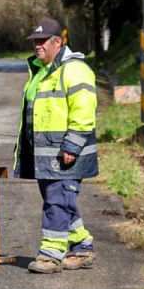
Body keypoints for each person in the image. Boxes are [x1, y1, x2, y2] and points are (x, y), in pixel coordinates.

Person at [15, 18, 98, 273]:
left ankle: (50, 256)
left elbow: (84, 113)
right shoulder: (42, 70)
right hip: (45, 153)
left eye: (42, 42)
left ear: (58, 42)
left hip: (65, 153)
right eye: (35, 42)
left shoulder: (75, 70)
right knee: (61, 200)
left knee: (57, 201)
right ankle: (82, 247)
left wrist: (72, 147)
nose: (37, 46)